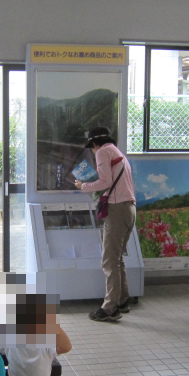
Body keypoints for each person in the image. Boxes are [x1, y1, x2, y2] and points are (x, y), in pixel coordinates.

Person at [74, 127, 136, 322]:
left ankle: (109, 308)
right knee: (117, 258)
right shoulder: (118, 153)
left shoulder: (102, 152)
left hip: (117, 210)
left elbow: (104, 181)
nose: (93, 152)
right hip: (129, 208)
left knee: (109, 261)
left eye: (91, 148)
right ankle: (122, 300)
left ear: (94, 144)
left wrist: (83, 186)